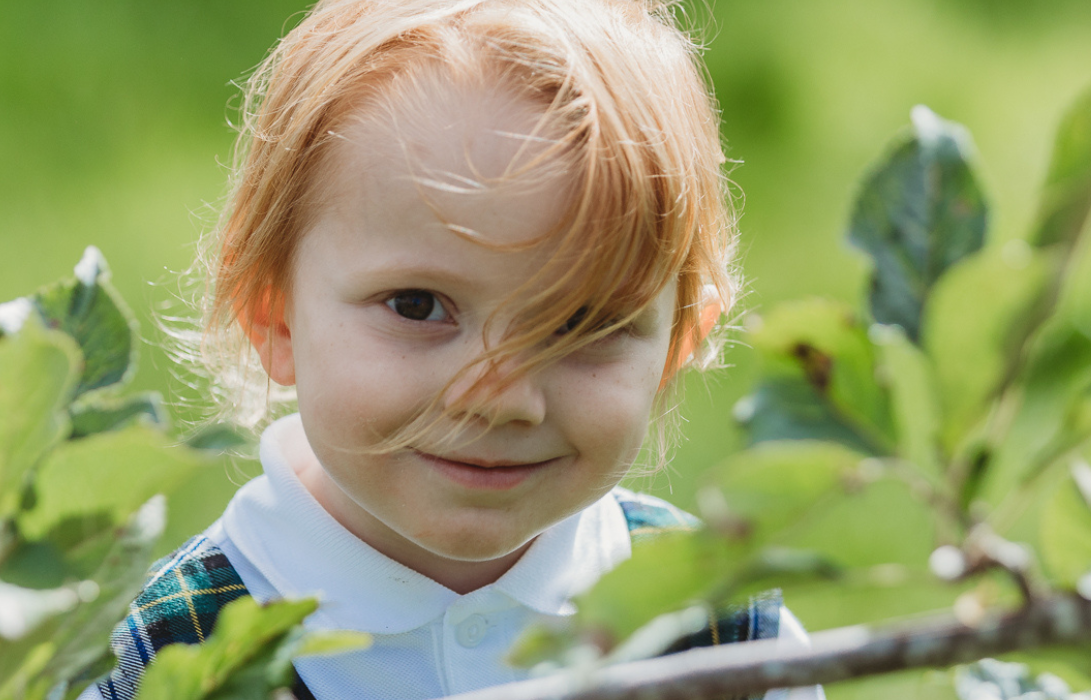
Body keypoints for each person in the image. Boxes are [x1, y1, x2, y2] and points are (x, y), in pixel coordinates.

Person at [88, 0, 822, 697]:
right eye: (418, 307)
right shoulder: (154, 667)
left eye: (581, 325)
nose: (500, 396)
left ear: (674, 348)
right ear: (273, 317)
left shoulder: (726, 641)